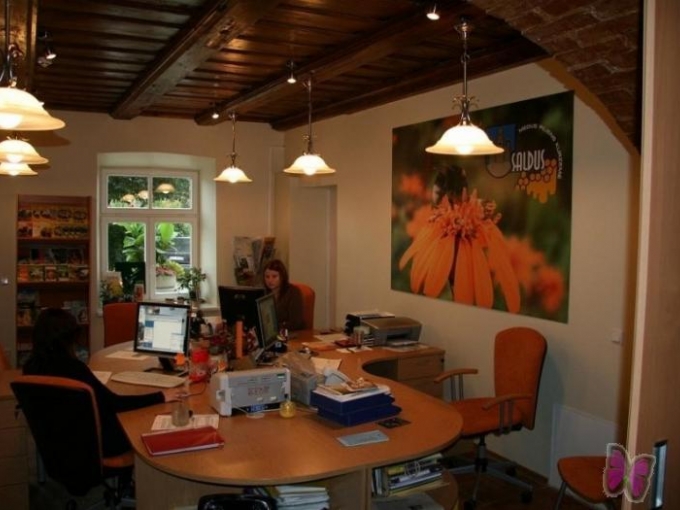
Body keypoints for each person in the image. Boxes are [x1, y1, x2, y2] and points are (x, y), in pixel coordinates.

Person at [22, 307, 183, 457]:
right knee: (146, 420)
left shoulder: (30, 367)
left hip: (59, 442)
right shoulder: (74, 369)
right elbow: (114, 403)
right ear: (68, 339)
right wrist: (161, 396)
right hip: (95, 444)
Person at [262, 259, 305, 331]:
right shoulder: (263, 293)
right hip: (269, 333)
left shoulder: (293, 292)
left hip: (290, 332)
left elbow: (296, 322)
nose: (270, 280)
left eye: (274, 276)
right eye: (267, 277)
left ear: (282, 277)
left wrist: (274, 327)